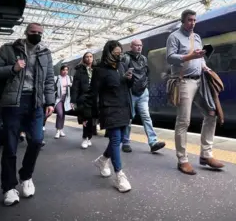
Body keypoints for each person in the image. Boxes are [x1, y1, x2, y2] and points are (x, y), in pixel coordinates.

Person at [0, 22, 55, 206]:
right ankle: (8, 187)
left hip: (36, 103)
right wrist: (12, 68)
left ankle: (26, 176)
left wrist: (50, 101)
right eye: (33, 32)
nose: (36, 34)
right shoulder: (8, 50)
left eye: (39, 32)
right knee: (11, 146)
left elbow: (48, 80)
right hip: (13, 103)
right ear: (25, 32)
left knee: (37, 140)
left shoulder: (45, 53)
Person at [166, 9, 224, 175]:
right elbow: (169, 58)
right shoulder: (174, 37)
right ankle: (182, 159)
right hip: (184, 81)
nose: (192, 23)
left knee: (211, 113)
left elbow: (199, 56)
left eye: (194, 20)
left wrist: (204, 65)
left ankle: (206, 154)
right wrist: (190, 57)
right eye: (190, 20)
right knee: (184, 121)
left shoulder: (196, 37)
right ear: (183, 21)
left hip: (200, 81)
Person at [91, 40, 132, 192]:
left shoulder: (121, 66)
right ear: (108, 53)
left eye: (120, 53)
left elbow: (126, 86)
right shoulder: (99, 70)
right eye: (116, 53)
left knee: (120, 139)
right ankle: (119, 176)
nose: (119, 56)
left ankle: (102, 160)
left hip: (123, 107)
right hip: (109, 108)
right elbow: (94, 92)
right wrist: (93, 114)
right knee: (115, 139)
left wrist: (129, 79)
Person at [121, 39, 166, 153]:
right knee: (129, 118)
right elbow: (121, 75)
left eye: (140, 45)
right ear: (131, 46)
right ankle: (125, 142)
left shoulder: (144, 59)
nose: (139, 47)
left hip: (143, 92)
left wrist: (146, 85)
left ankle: (153, 142)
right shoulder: (125, 58)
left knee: (146, 116)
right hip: (130, 92)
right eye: (136, 45)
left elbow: (147, 73)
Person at [71, 52, 96, 149]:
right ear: (84, 59)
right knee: (86, 118)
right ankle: (85, 137)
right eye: (87, 57)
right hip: (84, 98)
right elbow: (75, 87)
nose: (89, 58)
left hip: (94, 98)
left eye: (91, 56)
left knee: (91, 119)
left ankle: (88, 137)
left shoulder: (96, 70)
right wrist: (73, 100)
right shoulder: (79, 71)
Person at [53, 65, 73, 139]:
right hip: (58, 98)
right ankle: (58, 130)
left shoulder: (70, 78)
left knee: (63, 114)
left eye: (67, 70)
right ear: (60, 71)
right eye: (64, 70)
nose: (65, 71)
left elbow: (75, 87)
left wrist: (71, 85)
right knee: (60, 113)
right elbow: (52, 88)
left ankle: (61, 129)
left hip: (66, 99)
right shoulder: (56, 78)